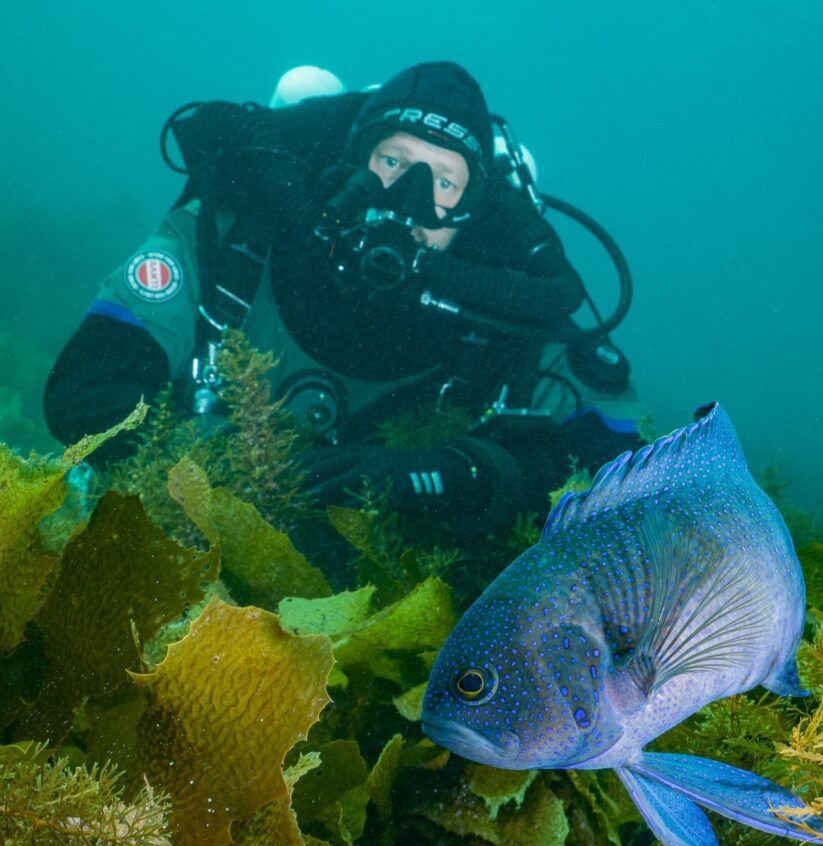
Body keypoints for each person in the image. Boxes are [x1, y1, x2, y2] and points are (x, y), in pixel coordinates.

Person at [44, 61, 645, 537]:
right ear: (348, 163)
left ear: (471, 213)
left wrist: (456, 475)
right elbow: (85, 392)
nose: (409, 198)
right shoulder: (229, 245)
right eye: (392, 161)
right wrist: (242, 469)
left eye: (443, 181)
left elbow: (631, 473)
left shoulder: (505, 316)